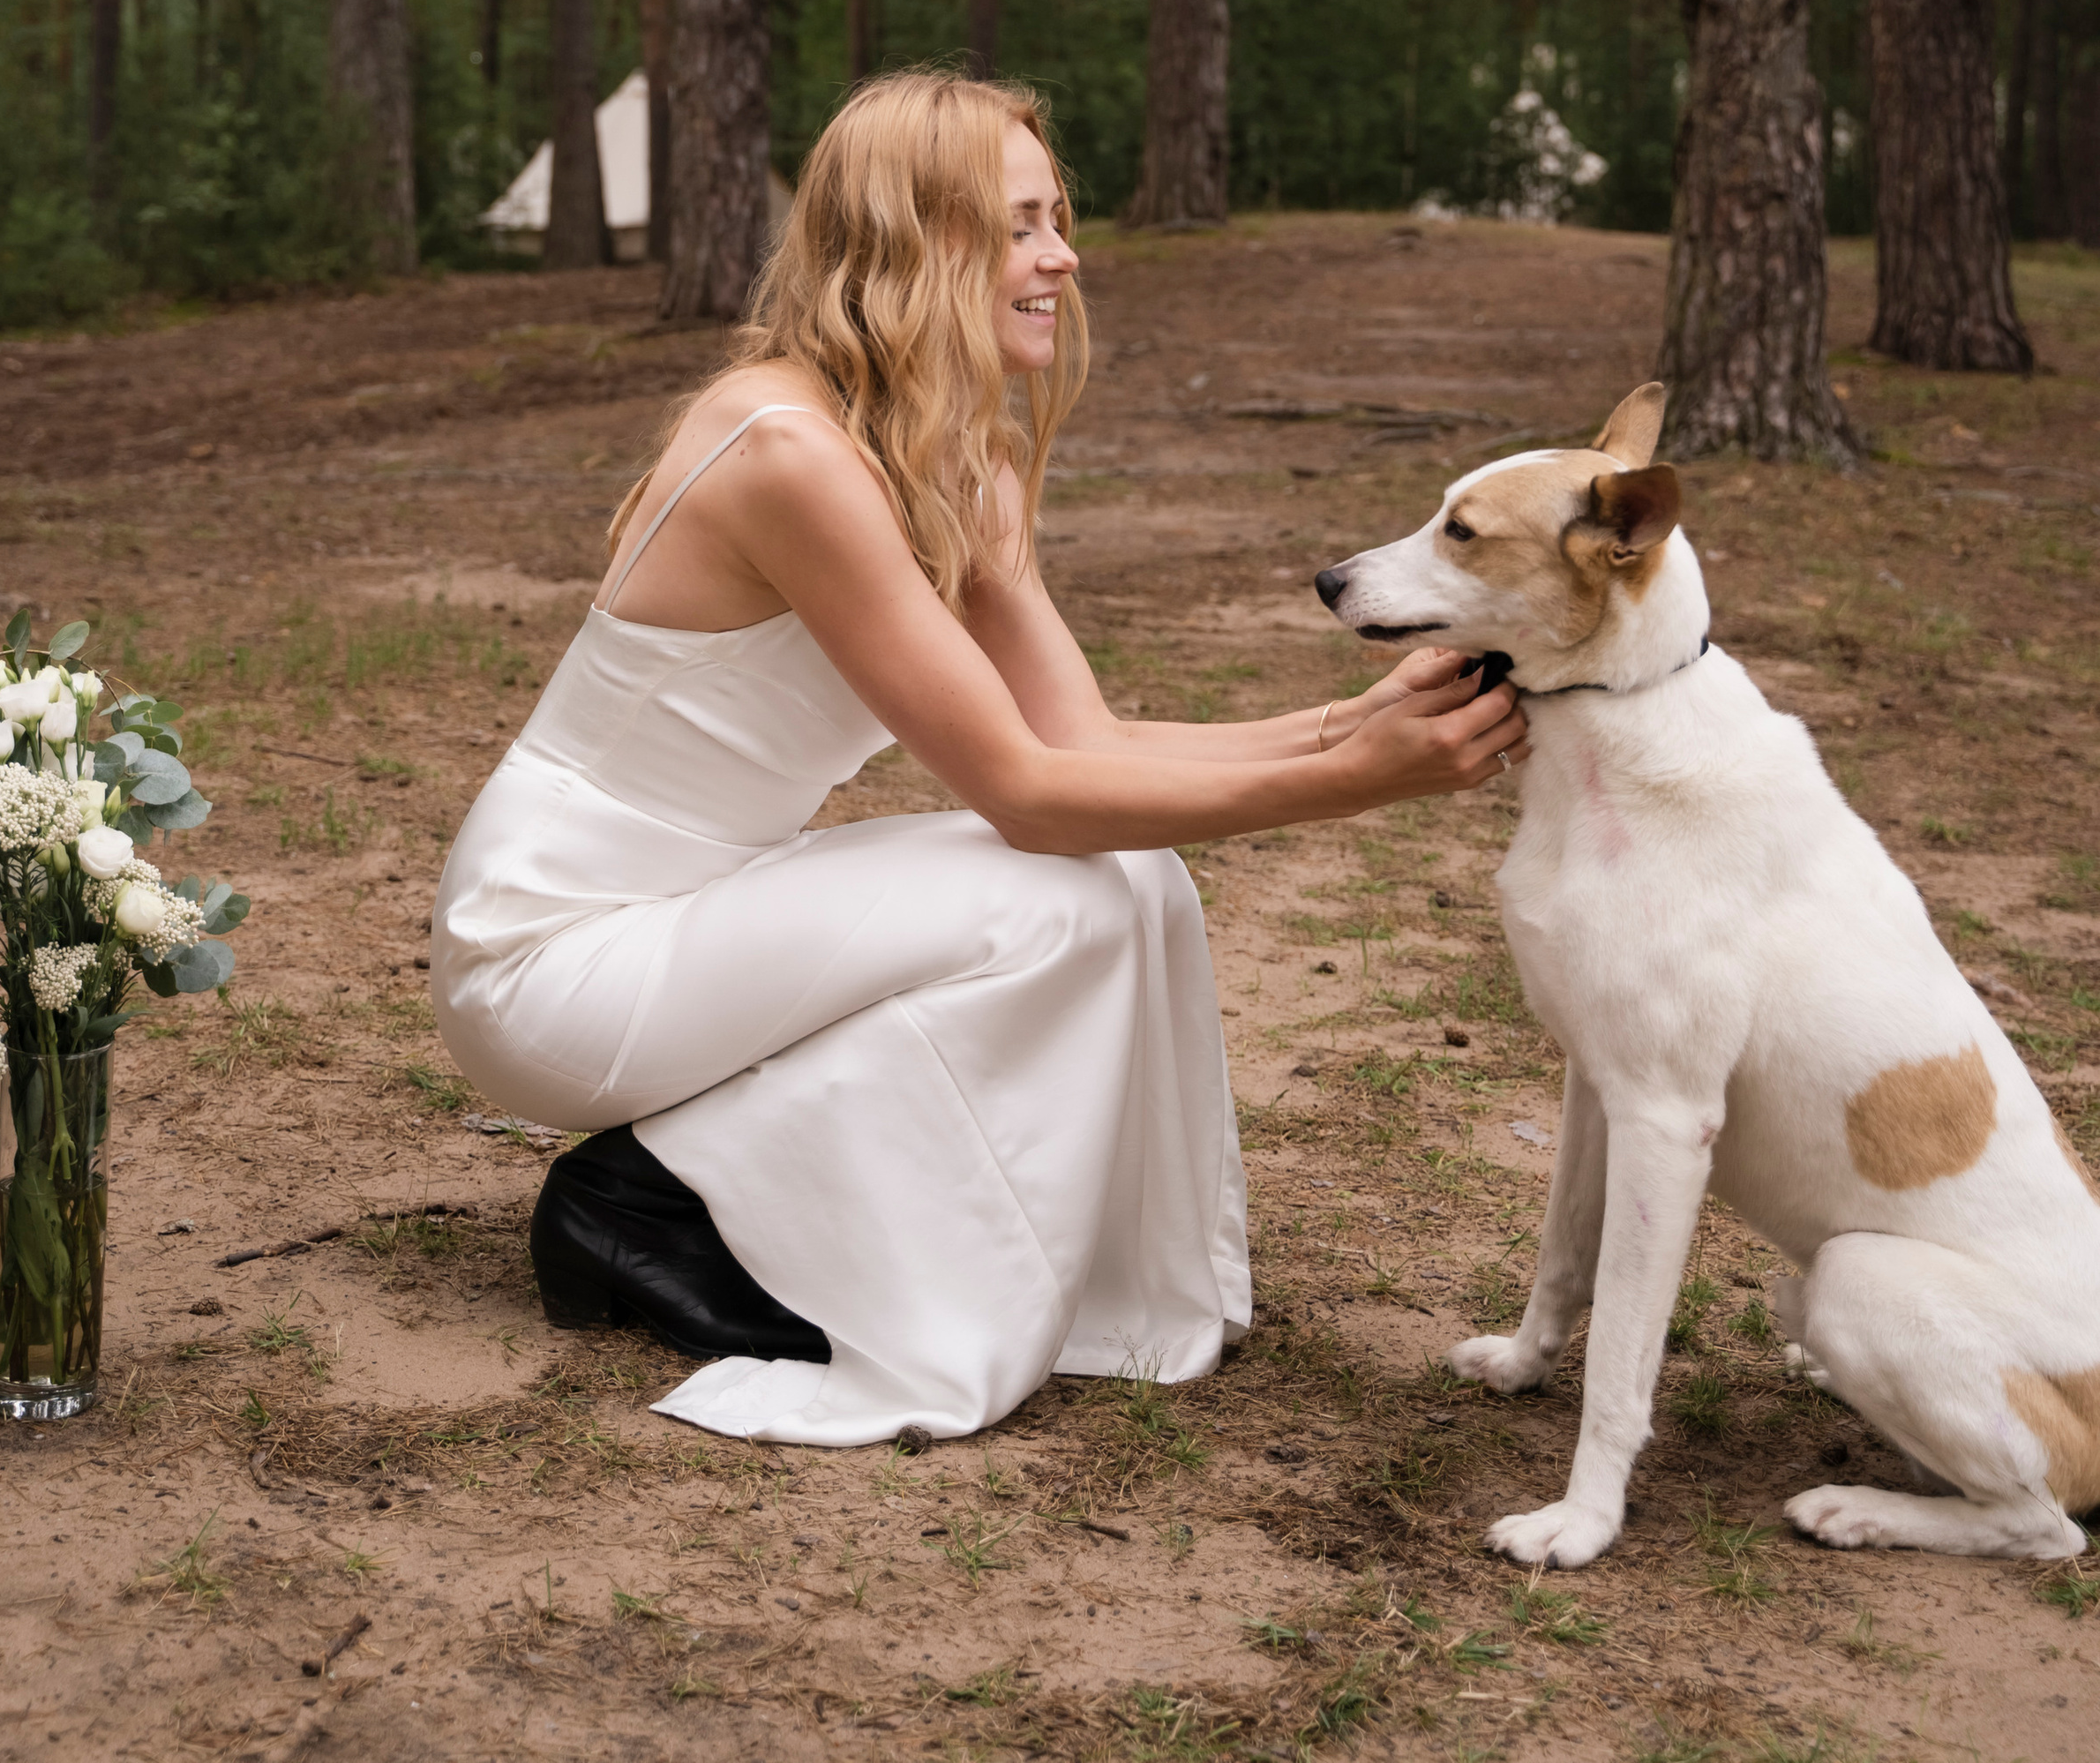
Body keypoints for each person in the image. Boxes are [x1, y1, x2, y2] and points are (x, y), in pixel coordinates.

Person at [430, 70, 1524, 1446]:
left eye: (1057, 218)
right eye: (1020, 225)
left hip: (691, 921)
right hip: (555, 956)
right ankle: (651, 1197)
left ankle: (713, 1200)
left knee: (1137, 880)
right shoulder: (788, 450)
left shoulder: (957, 456)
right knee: (1057, 887)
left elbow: (1085, 745)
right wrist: (1358, 779)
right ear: (913, 245)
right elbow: (1026, 793)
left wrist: (1361, 722)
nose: (1062, 255)